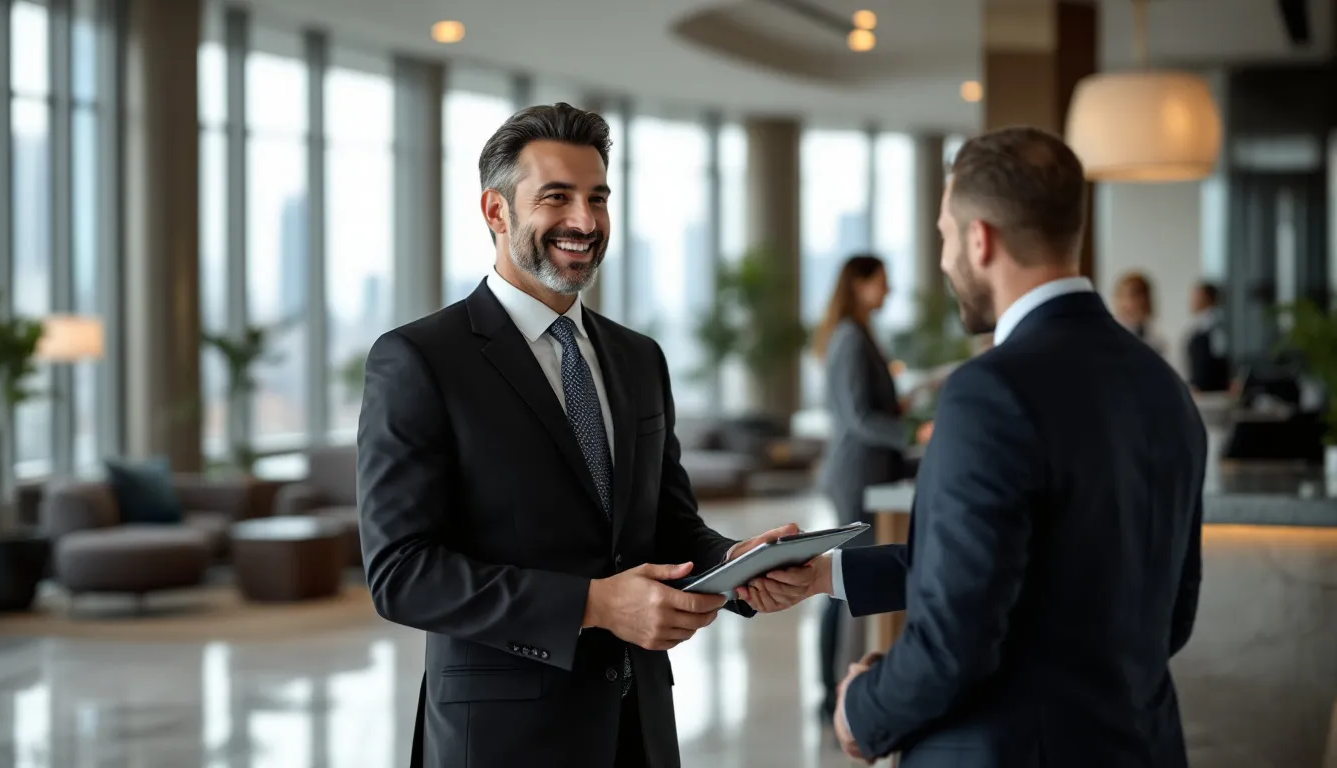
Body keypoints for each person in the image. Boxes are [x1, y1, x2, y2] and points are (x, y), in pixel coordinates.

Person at [738, 126, 1207, 767]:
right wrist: (826, 573)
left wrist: (860, 706)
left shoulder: (988, 392)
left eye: (943, 235)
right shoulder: (1165, 388)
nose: (941, 258)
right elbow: (1164, 612)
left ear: (979, 238)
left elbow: (953, 642)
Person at [356, 103, 794, 768]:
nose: (584, 222)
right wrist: (593, 604)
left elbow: (667, 528)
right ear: (496, 213)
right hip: (502, 741)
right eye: (556, 197)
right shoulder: (420, 360)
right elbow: (402, 573)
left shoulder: (638, 358)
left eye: (597, 198)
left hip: (638, 730)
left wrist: (738, 565)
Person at [810, 253, 909, 722]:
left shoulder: (860, 334)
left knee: (849, 576)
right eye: (883, 283)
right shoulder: (851, 337)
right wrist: (911, 433)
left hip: (869, 471)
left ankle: (831, 687)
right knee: (847, 577)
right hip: (857, 474)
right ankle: (830, 691)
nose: (888, 291)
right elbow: (859, 418)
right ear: (860, 283)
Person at [1185, 281, 1231, 392]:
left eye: (1196, 296)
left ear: (1207, 298)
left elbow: (1218, 358)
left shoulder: (1215, 326)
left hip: (1211, 391)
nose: (1191, 301)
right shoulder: (1202, 324)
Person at [1113, 270, 1170, 358]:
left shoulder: (1159, 340)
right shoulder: (1110, 339)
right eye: (1133, 295)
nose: (1141, 301)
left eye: (1144, 295)